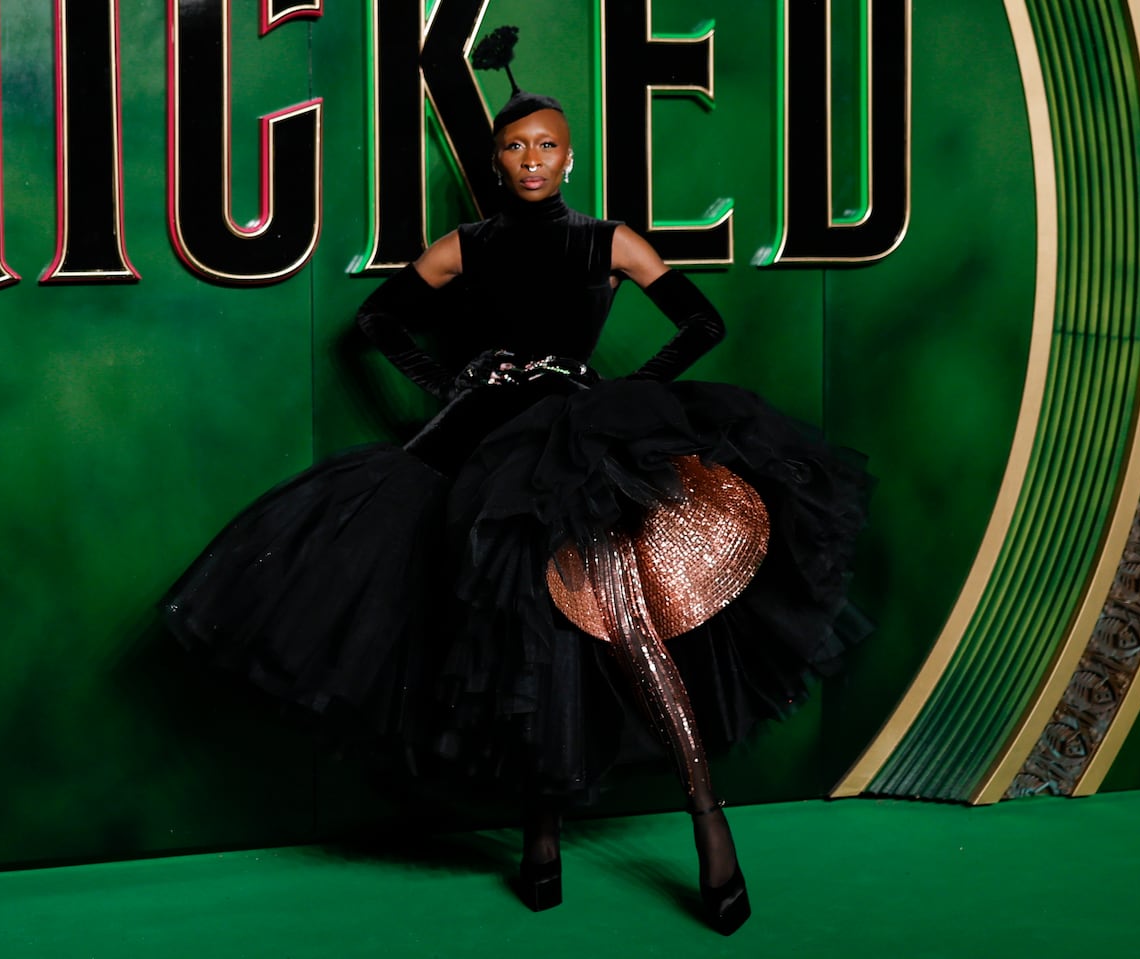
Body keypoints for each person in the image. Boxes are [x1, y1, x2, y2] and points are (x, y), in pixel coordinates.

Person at [165, 80, 869, 937]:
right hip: (484, 447)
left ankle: (706, 815)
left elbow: (700, 321)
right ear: (494, 162)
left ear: (569, 157)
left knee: (617, 612)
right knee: (524, 631)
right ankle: (541, 833)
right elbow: (377, 321)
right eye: (514, 147)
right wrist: (455, 381)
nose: (531, 160)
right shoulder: (465, 245)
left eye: (546, 146)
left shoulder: (607, 240)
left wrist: (615, 391)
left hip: (576, 443)